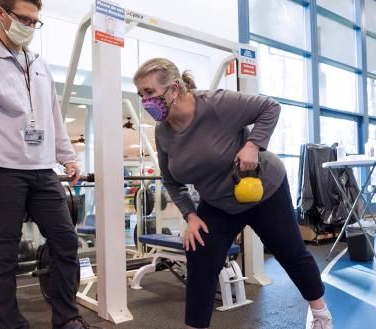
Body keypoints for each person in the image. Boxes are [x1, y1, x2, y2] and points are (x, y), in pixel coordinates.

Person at [133, 58, 333, 329]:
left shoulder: (215, 104)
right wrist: (190, 216)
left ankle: (320, 314)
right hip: (217, 202)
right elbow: (170, 180)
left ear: (174, 89)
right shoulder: (164, 132)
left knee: (290, 252)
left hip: (263, 189)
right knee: (200, 258)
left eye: (149, 92)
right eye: (141, 94)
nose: (145, 101)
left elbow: (269, 107)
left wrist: (253, 145)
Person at [0, 1, 98, 328]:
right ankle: (11, 324)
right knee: (3, 251)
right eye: (23, 19)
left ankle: (66, 318)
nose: (29, 26)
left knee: (66, 241)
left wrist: (67, 156)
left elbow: (51, 116)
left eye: (34, 21)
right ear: (1, 14)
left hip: (42, 172)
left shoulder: (38, 63)